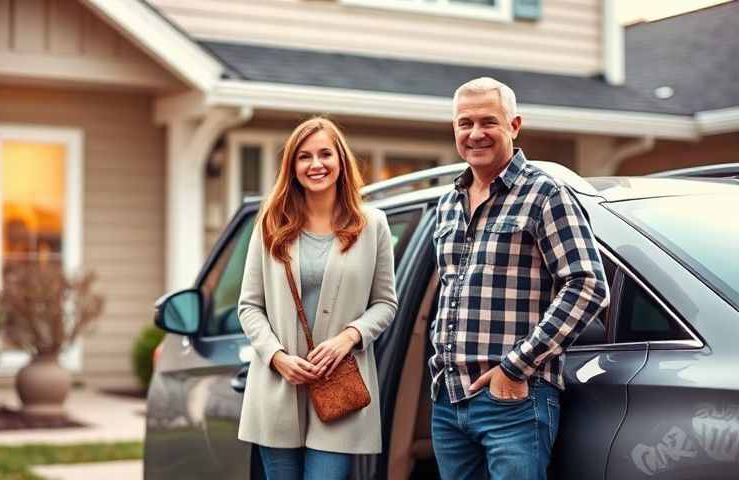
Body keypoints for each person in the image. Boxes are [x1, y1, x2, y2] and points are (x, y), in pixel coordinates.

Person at [430, 77, 610, 480]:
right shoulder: (446, 203)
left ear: (514, 126)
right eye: (465, 123)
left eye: (488, 122)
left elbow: (588, 285)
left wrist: (516, 367)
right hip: (448, 398)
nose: (476, 133)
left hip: (513, 400)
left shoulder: (545, 195)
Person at [237, 117, 398, 480]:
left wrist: (349, 337)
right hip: (278, 387)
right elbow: (249, 305)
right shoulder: (270, 224)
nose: (316, 164)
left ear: (341, 161)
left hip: (339, 386)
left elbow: (386, 303)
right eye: (304, 157)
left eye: (326, 154)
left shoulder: (372, 225)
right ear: (292, 167)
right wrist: (277, 357)